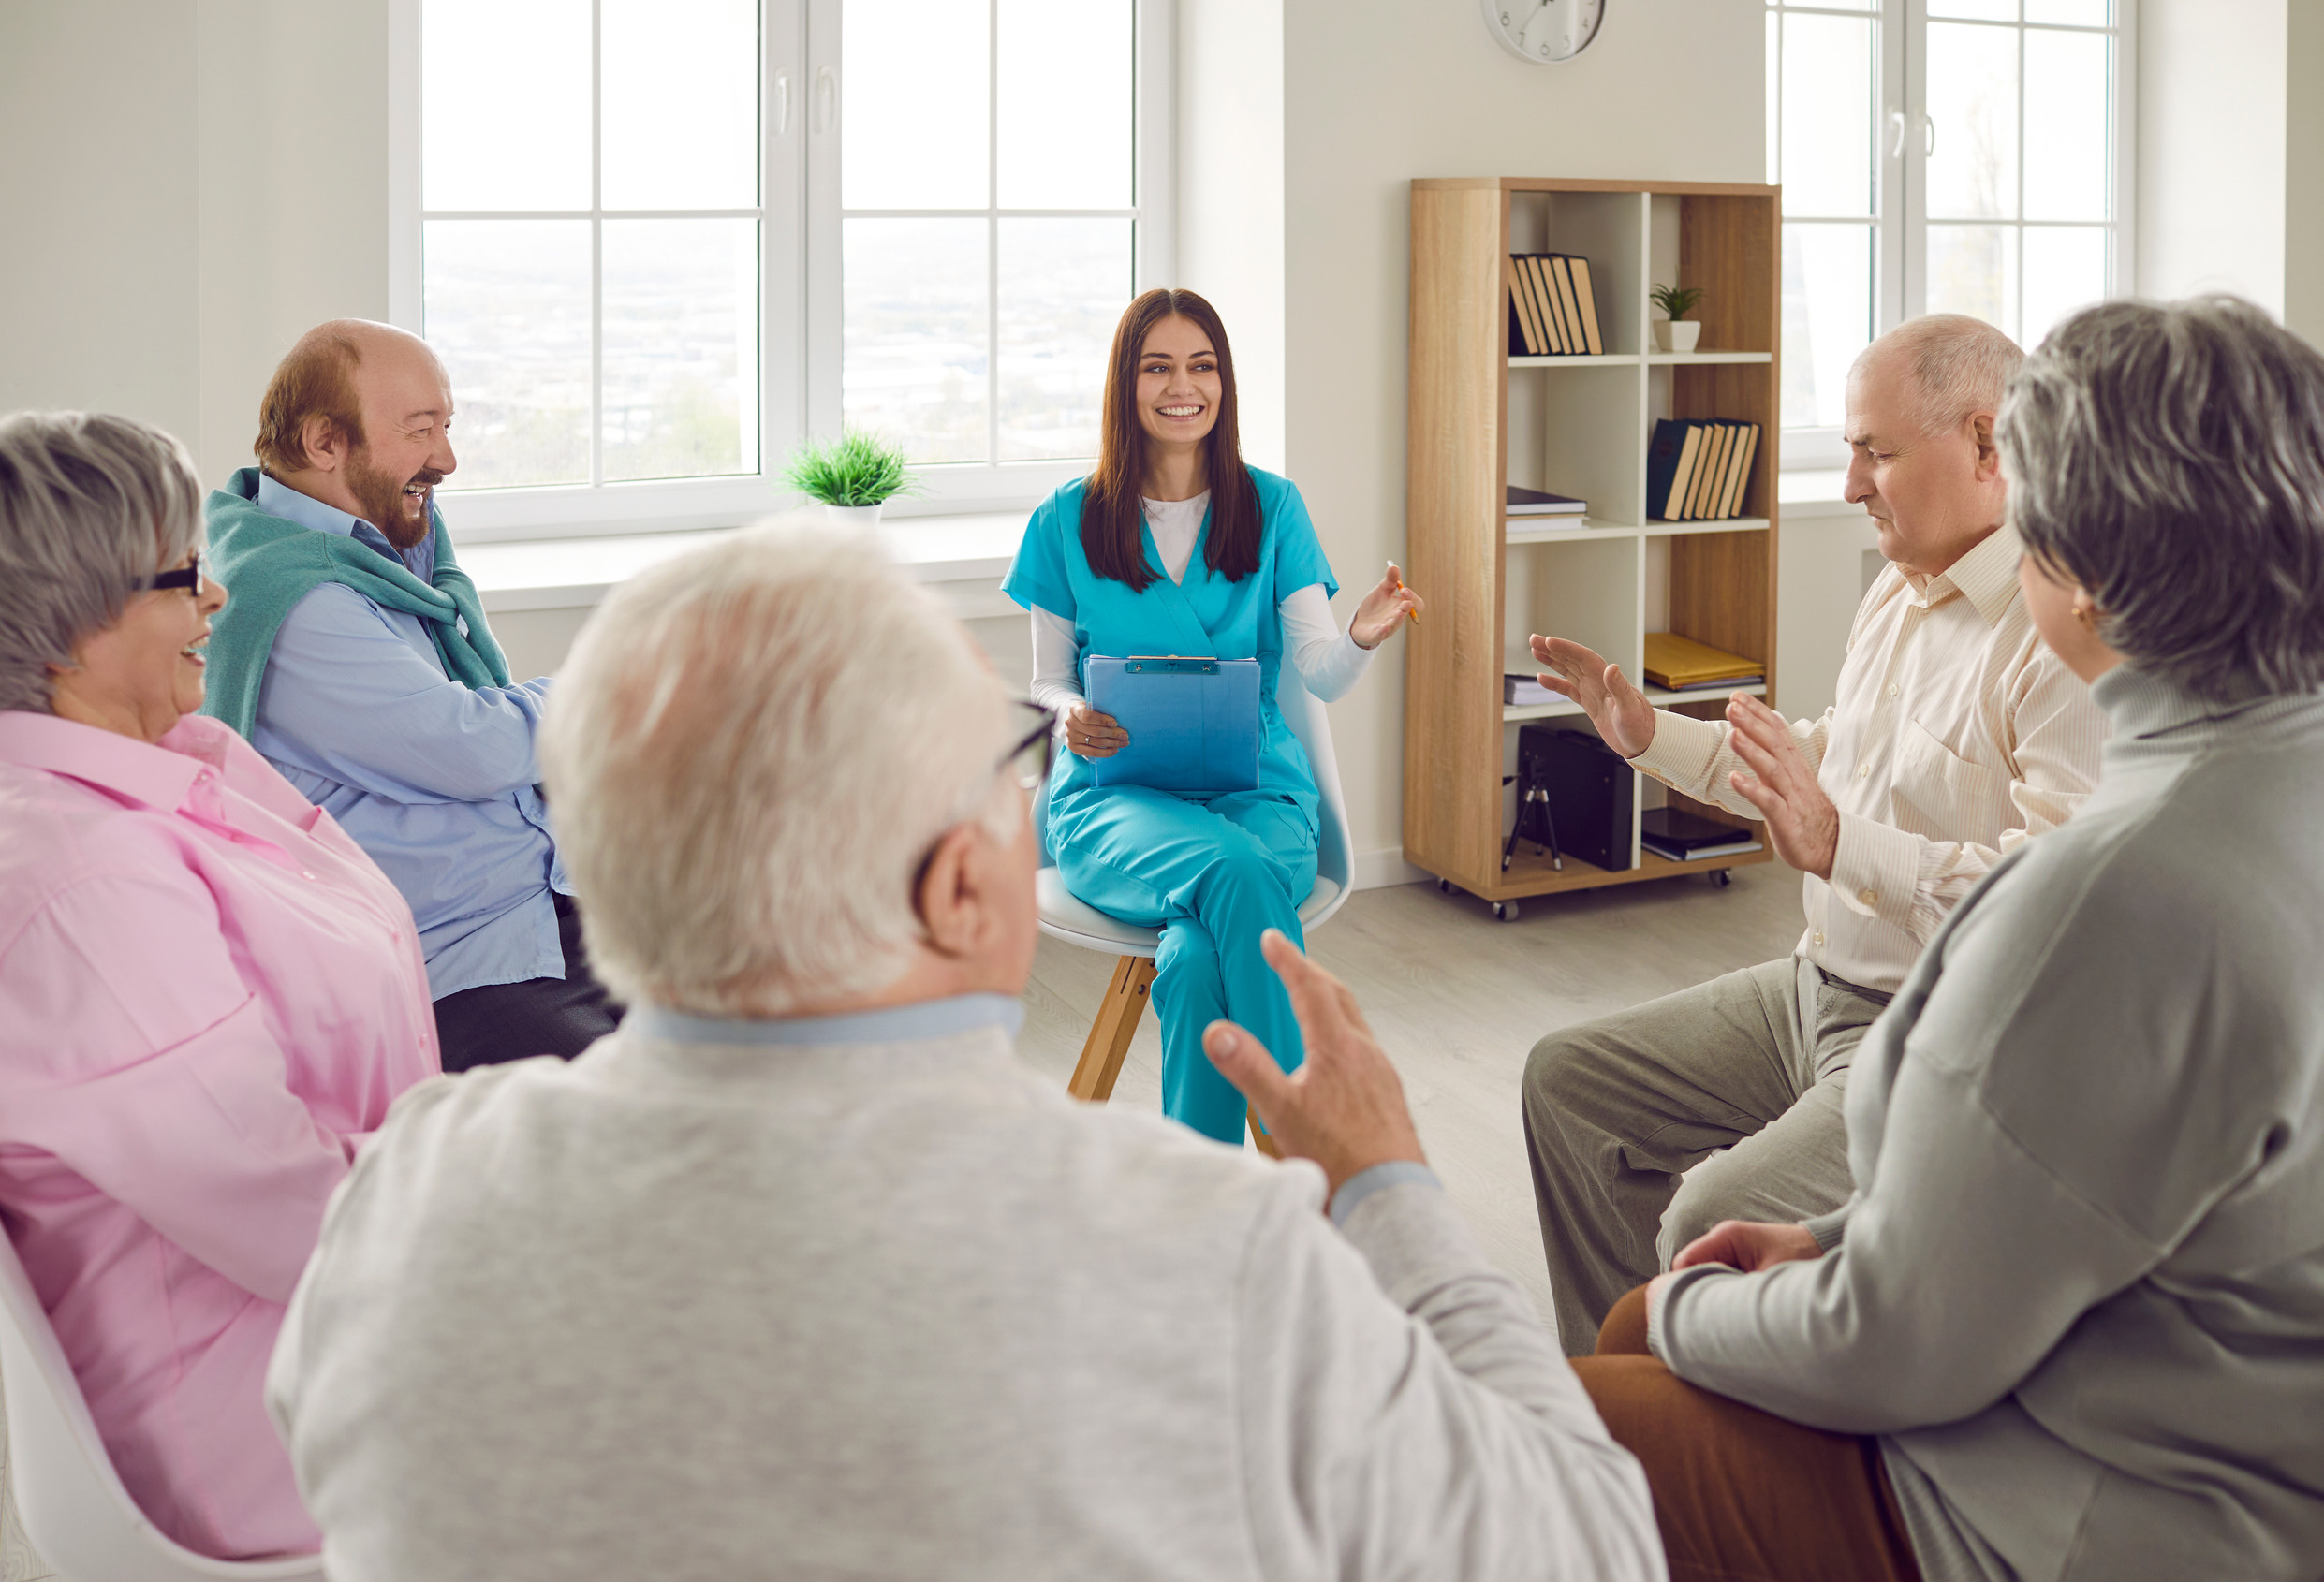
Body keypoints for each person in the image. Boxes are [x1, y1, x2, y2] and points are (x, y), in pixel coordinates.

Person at [263, 526, 1662, 1582]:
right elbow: (1590, 1542)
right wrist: (1393, 1191)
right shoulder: (1211, 1249)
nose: (1030, 790)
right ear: (954, 890)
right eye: (1013, 761)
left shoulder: (401, 1196)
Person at [1570, 296, 2324, 1582]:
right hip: (2170, 1390)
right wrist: (1825, 1239)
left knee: (1561, 1419)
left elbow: (1898, 1340)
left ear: (2083, 574)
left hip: (2090, 1501)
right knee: (1629, 1265)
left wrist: (1710, 1305)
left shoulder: (2106, 896)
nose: (1856, 481)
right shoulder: (2260, 783)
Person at [1521, 313, 2110, 1353]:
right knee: (1568, 1086)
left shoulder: (2058, 628)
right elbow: (1817, 765)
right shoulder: (1894, 590)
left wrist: (1842, 846)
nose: (1847, 484)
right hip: (1813, 986)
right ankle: (1620, 1394)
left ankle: (1718, 1438)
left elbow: (2052, 899)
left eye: (1874, 453)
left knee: (1709, 1217)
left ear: (1987, 444)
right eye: (1847, 450)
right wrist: (1647, 734)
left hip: (1930, 1031)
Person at [0, 411, 438, 1560]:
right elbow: (286, 1208)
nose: (219, 599)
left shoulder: (178, 761)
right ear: (66, 626)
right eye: (183, 574)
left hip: (356, 1306)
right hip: (268, 1422)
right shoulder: (83, 882)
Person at [1003, 287, 1420, 1144]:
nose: (1181, 386)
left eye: (1202, 365)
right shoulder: (1064, 520)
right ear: (1127, 384)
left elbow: (1321, 675)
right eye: (1157, 367)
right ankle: (1321, 1138)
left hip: (1256, 795)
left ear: (1224, 384)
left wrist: (1363, 637)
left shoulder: (1273, 508)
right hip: (1115, 804)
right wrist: (1072, 710)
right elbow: (1045, 682)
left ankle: (1207, 1192)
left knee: (1194, 957)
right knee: (1232, 876)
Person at [199, 319, 616, 1073]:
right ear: (325, 443)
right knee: (661, 1118)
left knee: (774, 1037)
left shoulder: (387, 544)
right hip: (461, 962)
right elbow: (473, 747)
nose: (447, 458)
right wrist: (624, 680)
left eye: (446, 426)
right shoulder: (297, 600)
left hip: (545, 904)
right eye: (421, 430)